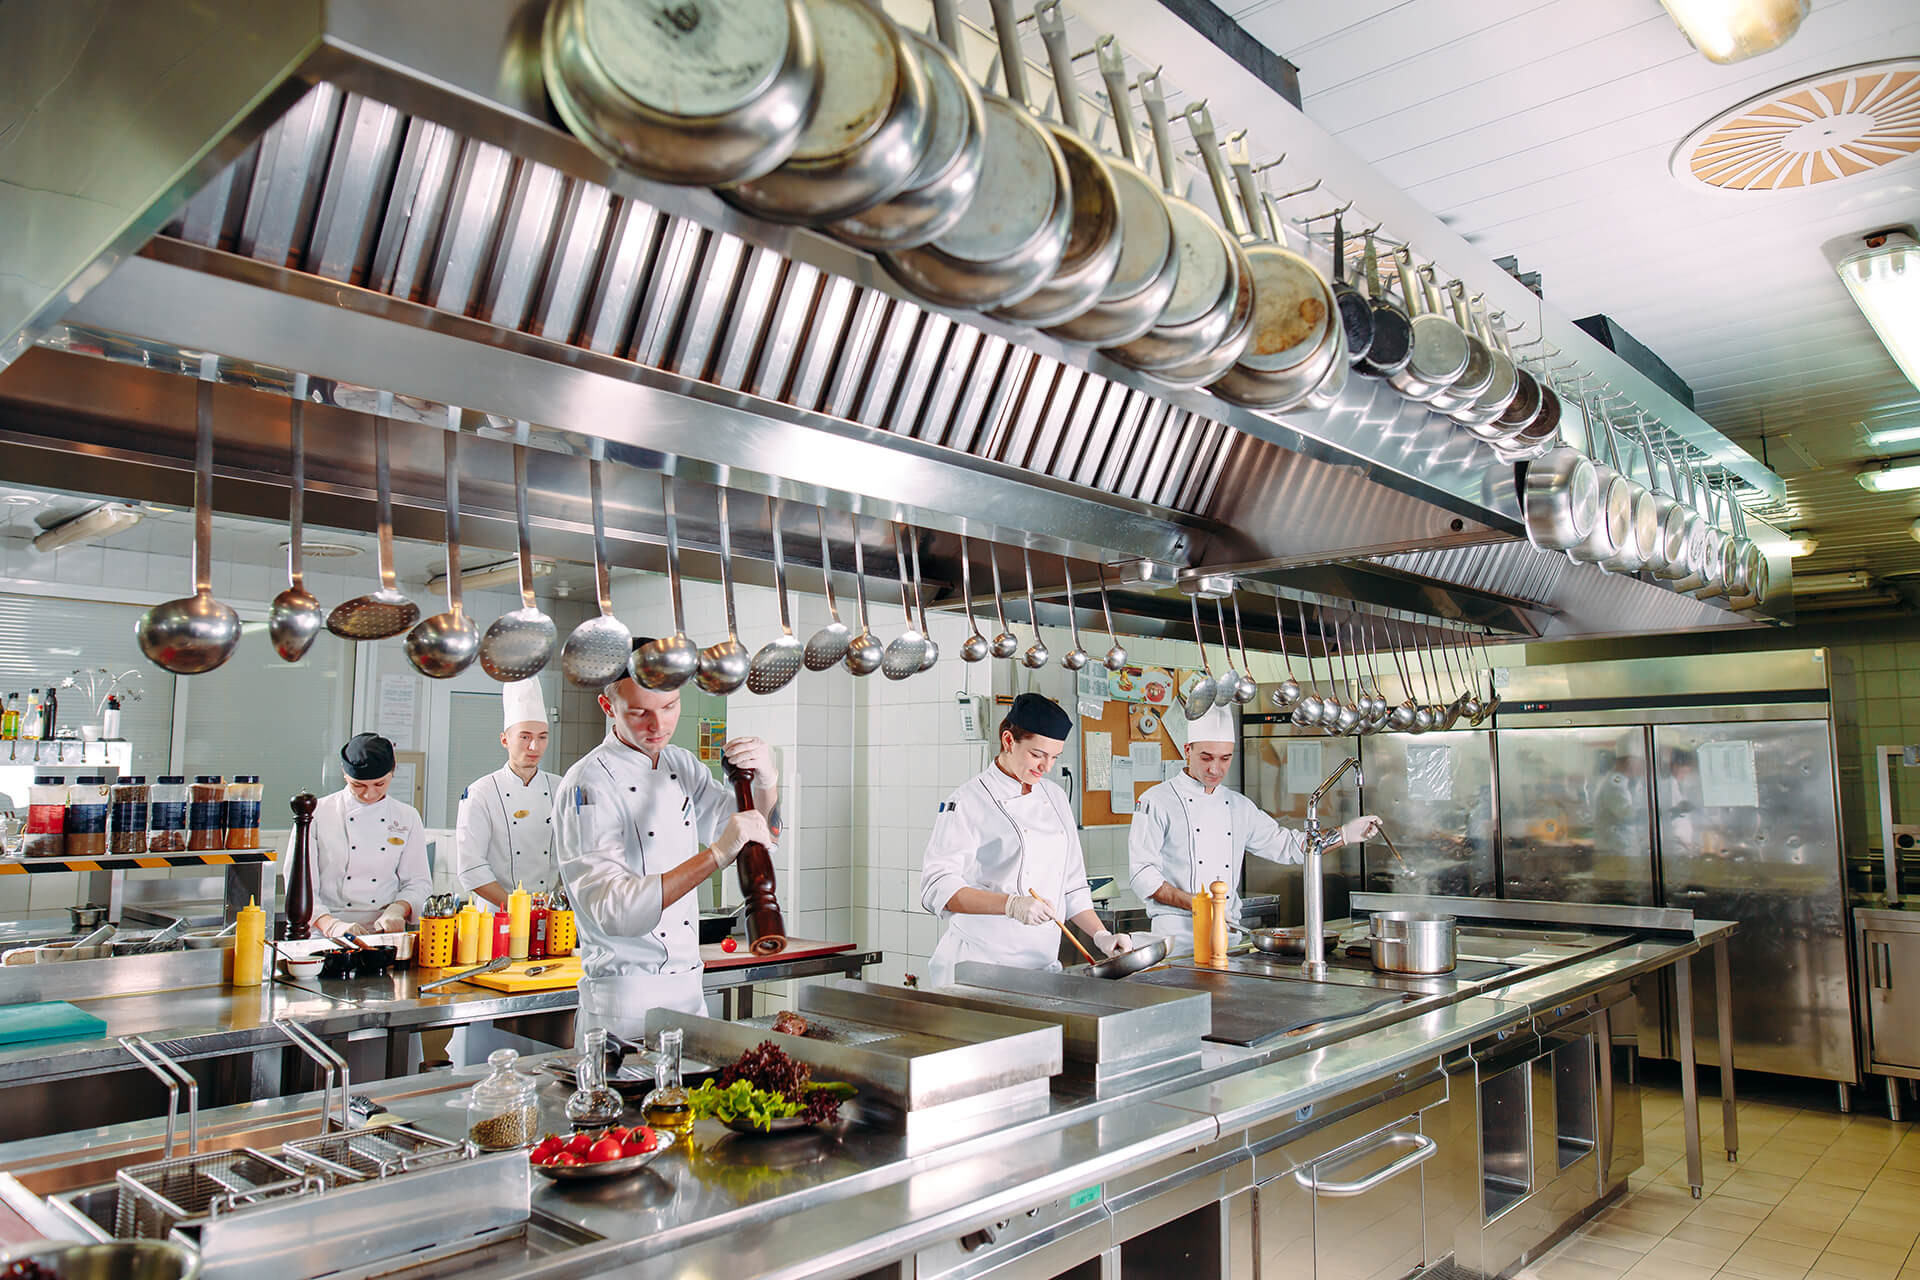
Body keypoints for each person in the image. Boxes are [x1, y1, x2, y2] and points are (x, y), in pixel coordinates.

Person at [554, 644, 780, 1040]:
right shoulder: (588, 785)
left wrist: (766, 782)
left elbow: (758, 836)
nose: (657, 725)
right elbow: (615, 910)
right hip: (626, 1002)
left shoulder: (681, 763)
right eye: (639, 712)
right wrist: (715, 855)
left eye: (669, 706)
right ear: (608, 707)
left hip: (689, 990)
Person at [921, 693, 1129, 988]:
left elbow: (1072, 884)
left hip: (1041, 967)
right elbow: (936, 888)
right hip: (979, 966)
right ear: (1009, 740)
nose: (1047, 767)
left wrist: (1101, 936)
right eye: (1037, 754)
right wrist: (1011, 905)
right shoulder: (968, 800)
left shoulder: (1055, 797)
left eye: (1054, 757)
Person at [1128, 705, 1380, 942]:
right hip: (1177, 941)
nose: (1215, 769)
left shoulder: (1239, 806)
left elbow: (1289, 846)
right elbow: (1142, 875)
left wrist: (1344, 834)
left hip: (1228, 937)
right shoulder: (1156, 801)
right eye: (1206, 758)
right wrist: (1197, 904)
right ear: (1187, 751)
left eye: (1225, 759)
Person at [310, 732, 431, 939]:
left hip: (385, 932)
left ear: (393, 772)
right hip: (327, 934)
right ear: (344, 774)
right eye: (358, 785)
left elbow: (418, 883)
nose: (369, 794)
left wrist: (398, 909)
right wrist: (331, 926)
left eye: (379, 784)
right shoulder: (316, 814)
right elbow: (300, 889)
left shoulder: (407, 817)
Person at [455, 678, 561, 908]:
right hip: (497, 916)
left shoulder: (561, 788)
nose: (534, 747)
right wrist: (520, 908)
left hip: (550, 914)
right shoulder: (481, 793)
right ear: (504, 740)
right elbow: (471, 868)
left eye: (542, 737)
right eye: (525, 737)